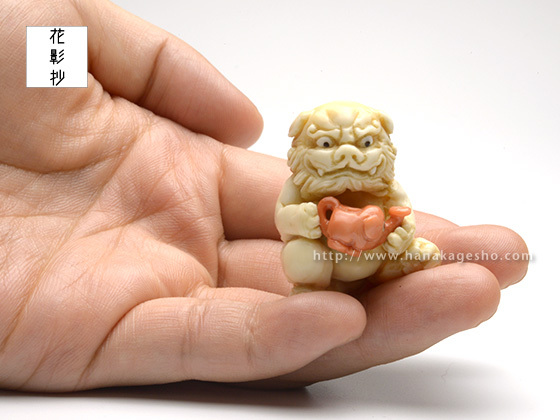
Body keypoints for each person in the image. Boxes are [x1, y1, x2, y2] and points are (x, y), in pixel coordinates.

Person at [0, 0, 528, 391]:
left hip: (368, 253)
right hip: (324, 257)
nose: (348, 156)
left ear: (385, 145)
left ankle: (393, 269)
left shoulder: (384, 187)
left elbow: (400, 211)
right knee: (302, 257)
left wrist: (396, 229)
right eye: (327, 145)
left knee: (406, 246)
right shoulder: (301, 186)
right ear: (301, 147)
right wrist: (307, 223)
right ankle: (315, 294)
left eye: (365, 144)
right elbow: (287, 217)